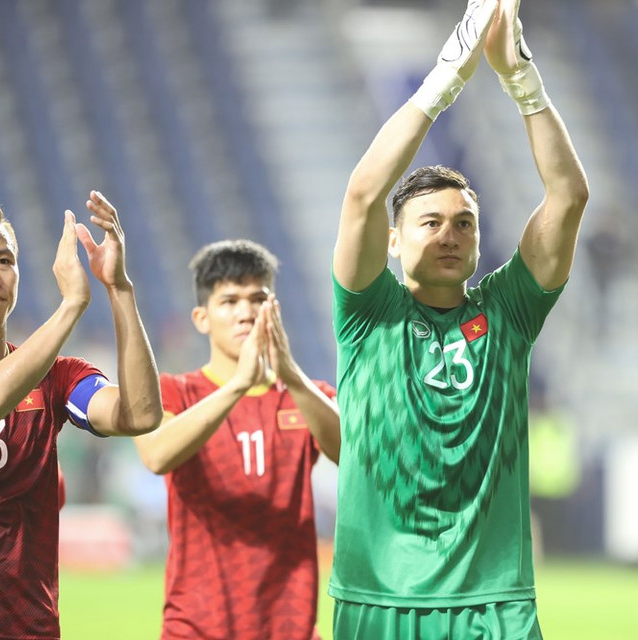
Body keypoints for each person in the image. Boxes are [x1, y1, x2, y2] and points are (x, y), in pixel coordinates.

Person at [329, 0, 589, 636]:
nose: (450, 235)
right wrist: (448, 76)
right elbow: (363, 194)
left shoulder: (510, 311)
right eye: (430, 223)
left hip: (492, 605)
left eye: (464, 224)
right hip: (378, 599)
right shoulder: (368, 312)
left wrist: (519, 77)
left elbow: (569, 195)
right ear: (393, 241)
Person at [0, 192, 162, 639]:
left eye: (3, 260)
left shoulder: (56, 379)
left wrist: (118, 288)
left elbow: (139, 415)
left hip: (35, 629)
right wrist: (70, 307)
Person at [133, 239, 340, 640]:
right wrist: (239, 385)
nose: (245, 313)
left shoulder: (307, 394)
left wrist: (292, 376)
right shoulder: (174, 392)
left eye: (258, 298)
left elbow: (352, 454)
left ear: (274, 309)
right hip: (196, 627)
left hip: (290, 627)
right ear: (201, 318)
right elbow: (156, 455)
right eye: (229, 301)